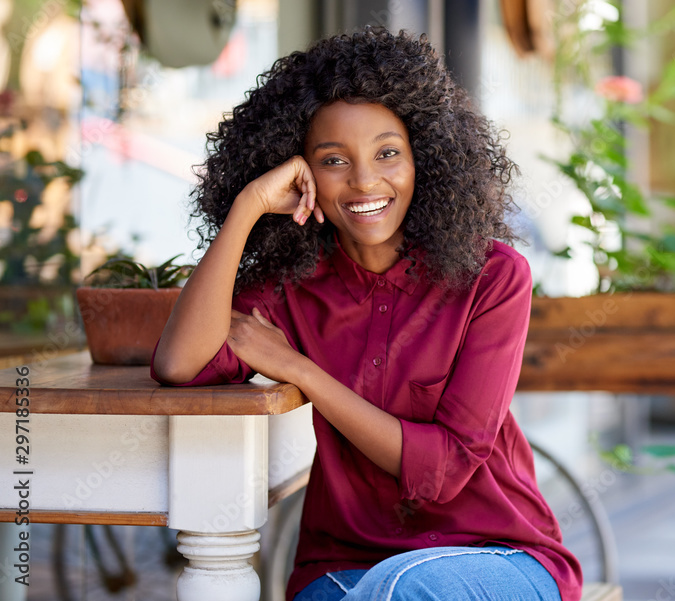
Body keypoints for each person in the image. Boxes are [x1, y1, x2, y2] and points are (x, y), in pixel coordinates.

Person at [151, 27, 583, 601]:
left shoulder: (493, 277)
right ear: (300, 172)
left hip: (498, 555)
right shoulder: (290, 288)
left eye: (387, 153)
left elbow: (444, 471)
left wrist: (303, 372)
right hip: (344, 563)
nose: (364, 181)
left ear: (423, 158)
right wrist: (247, 207)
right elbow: (179, 365)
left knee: (402, 590)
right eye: (333, 160)